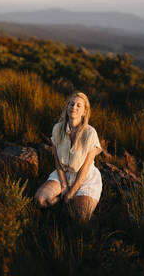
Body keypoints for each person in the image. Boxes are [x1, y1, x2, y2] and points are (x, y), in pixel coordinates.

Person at [35, 91, 102, 222]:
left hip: (85, 178)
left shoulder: (90, 133)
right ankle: (60, 202)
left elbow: (85, 169)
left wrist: (71, 193)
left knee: (79, 217)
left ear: (84, 111)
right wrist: (64, 185)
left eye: (78, 105)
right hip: (64, 174)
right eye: (71, 104)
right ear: (67, 107)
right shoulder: (57, 129)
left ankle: (74, 205)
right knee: (40, 200)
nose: (73, 107)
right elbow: (57, 162)